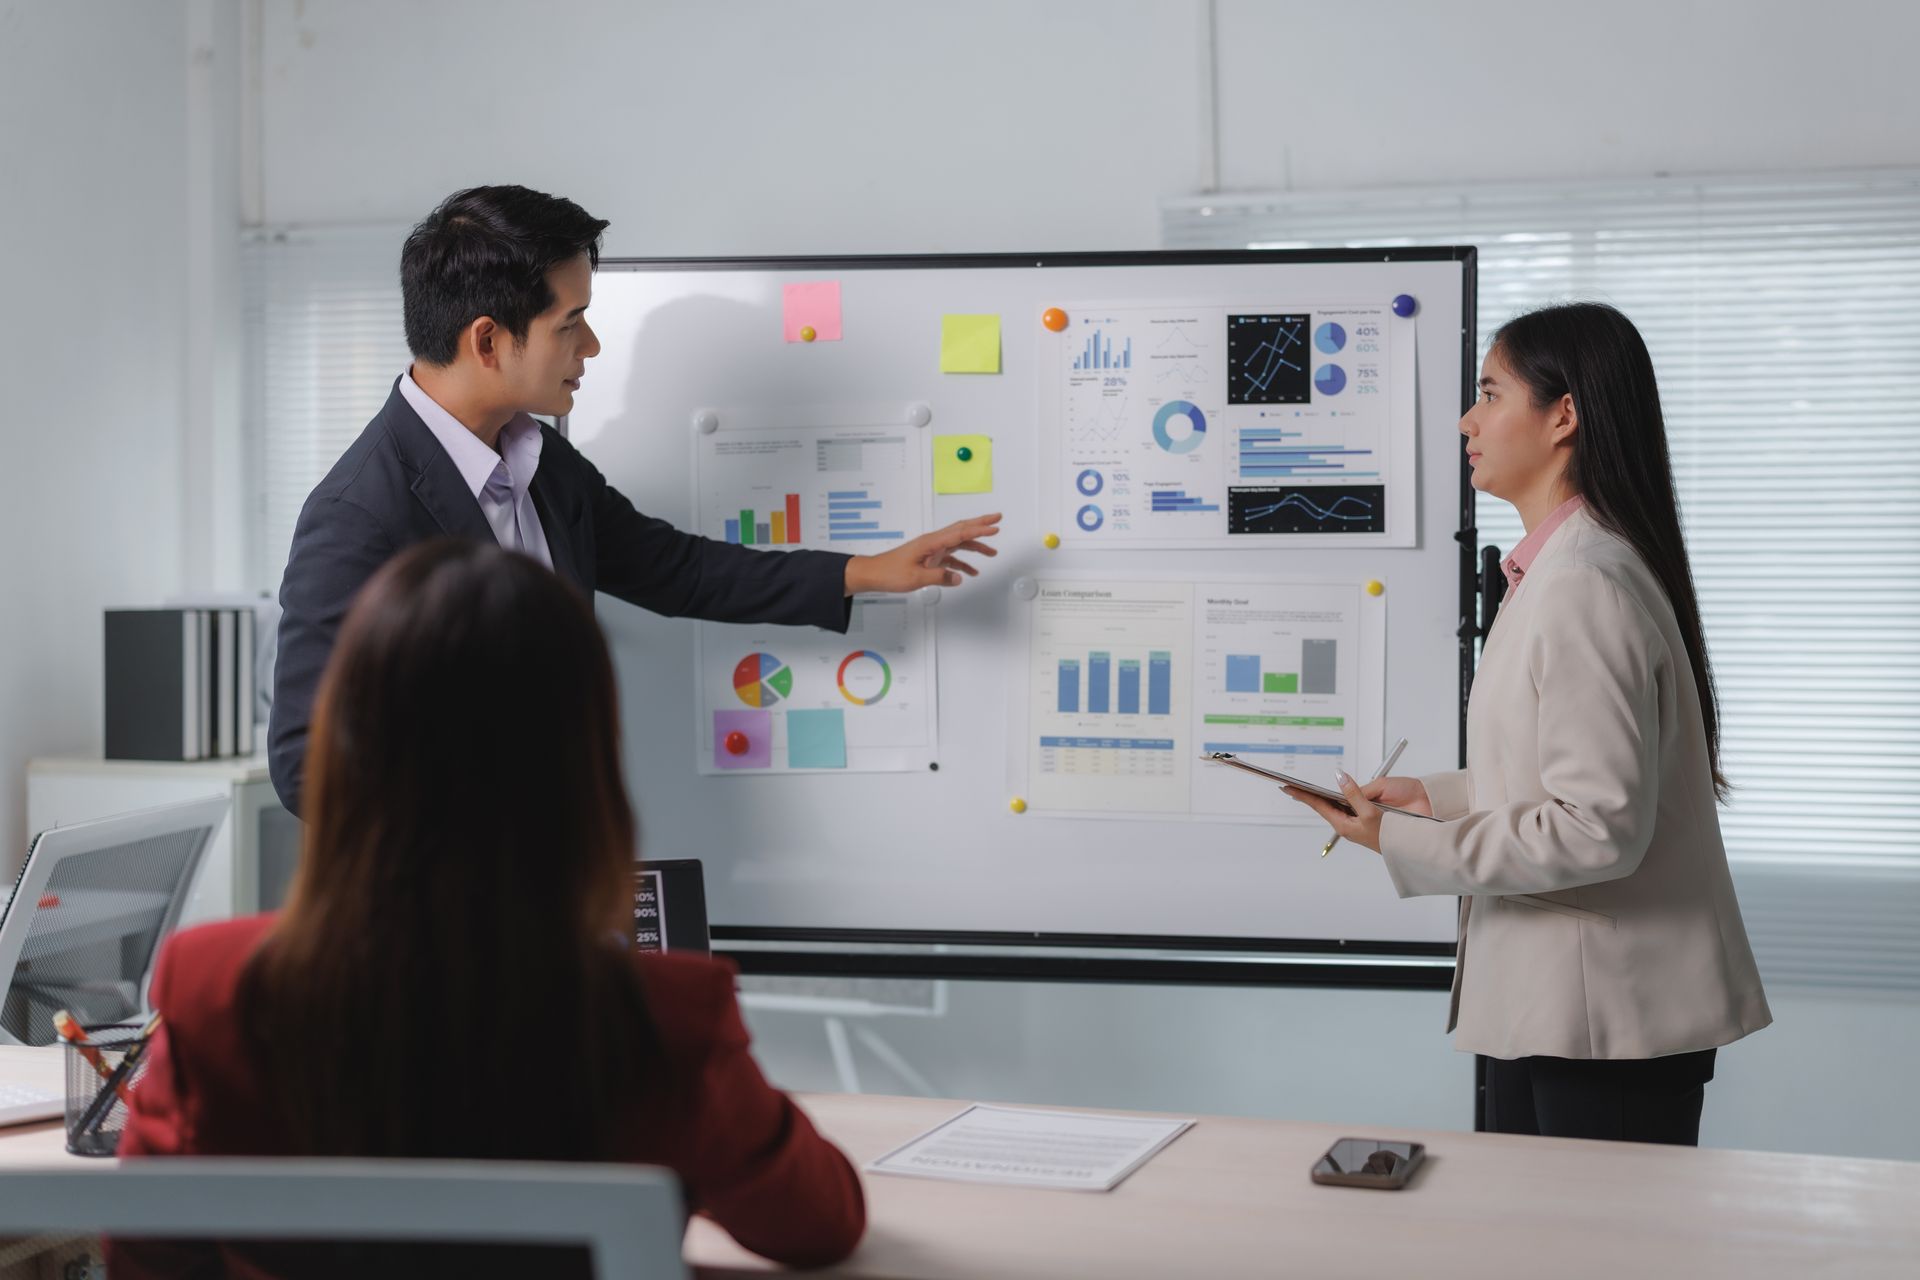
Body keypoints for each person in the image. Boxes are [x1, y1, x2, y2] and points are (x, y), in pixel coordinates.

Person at [111, 541, 865, 1277]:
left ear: (347, 752)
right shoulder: (662, 1022)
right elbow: (821, 1224)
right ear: (583, 769)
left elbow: (146, 1256)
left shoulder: (216, 991)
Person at [269, 183, 999, 816]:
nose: (589, 347)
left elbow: (674, 568)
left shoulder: (539, 460)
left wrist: (867, 572)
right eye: (569, 324)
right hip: (451, 910)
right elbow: (308, 766)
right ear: (487, 341)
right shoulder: (360, 514)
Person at [1283, 302, 1771, 1146]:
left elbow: (1598, 829)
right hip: (1569, 1010)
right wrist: (1434, 800)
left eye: (1489, 393)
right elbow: (1570, 779)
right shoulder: (1562, 569)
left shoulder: (1582, 582)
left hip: (1602, 1021)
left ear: (1564, 415)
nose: (1468, 420)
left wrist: (1396, 842)